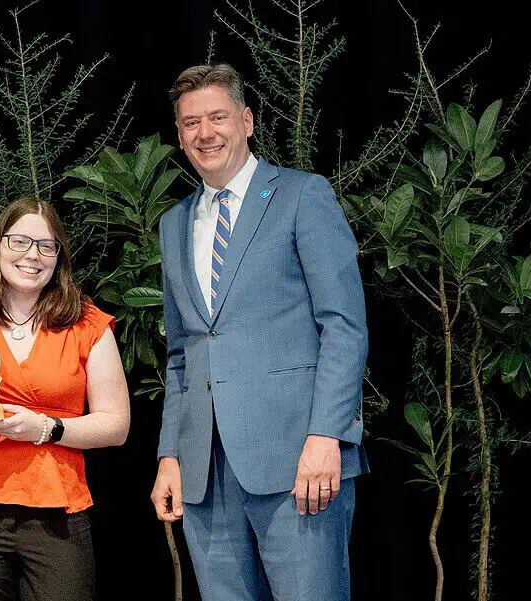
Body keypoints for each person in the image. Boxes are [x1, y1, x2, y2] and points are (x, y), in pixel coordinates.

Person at [149, 64, 369, 601]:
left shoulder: (302, 195)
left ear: (246, 121)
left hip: (299, 461)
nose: (205, 133)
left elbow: (343, 326)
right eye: (191, 123)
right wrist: (170, 455)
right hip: (205, 473)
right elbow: (181, 355)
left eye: (218, 117)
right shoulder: (173, 224)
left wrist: (328, 437)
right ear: (179, 135)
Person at [0, 197, 130, 601]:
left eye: (46, 246)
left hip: (57, 513)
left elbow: (116, 426)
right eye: (19, 241)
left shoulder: (87, 323)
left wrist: (44, 428)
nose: (32, 255)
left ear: (59, 257)